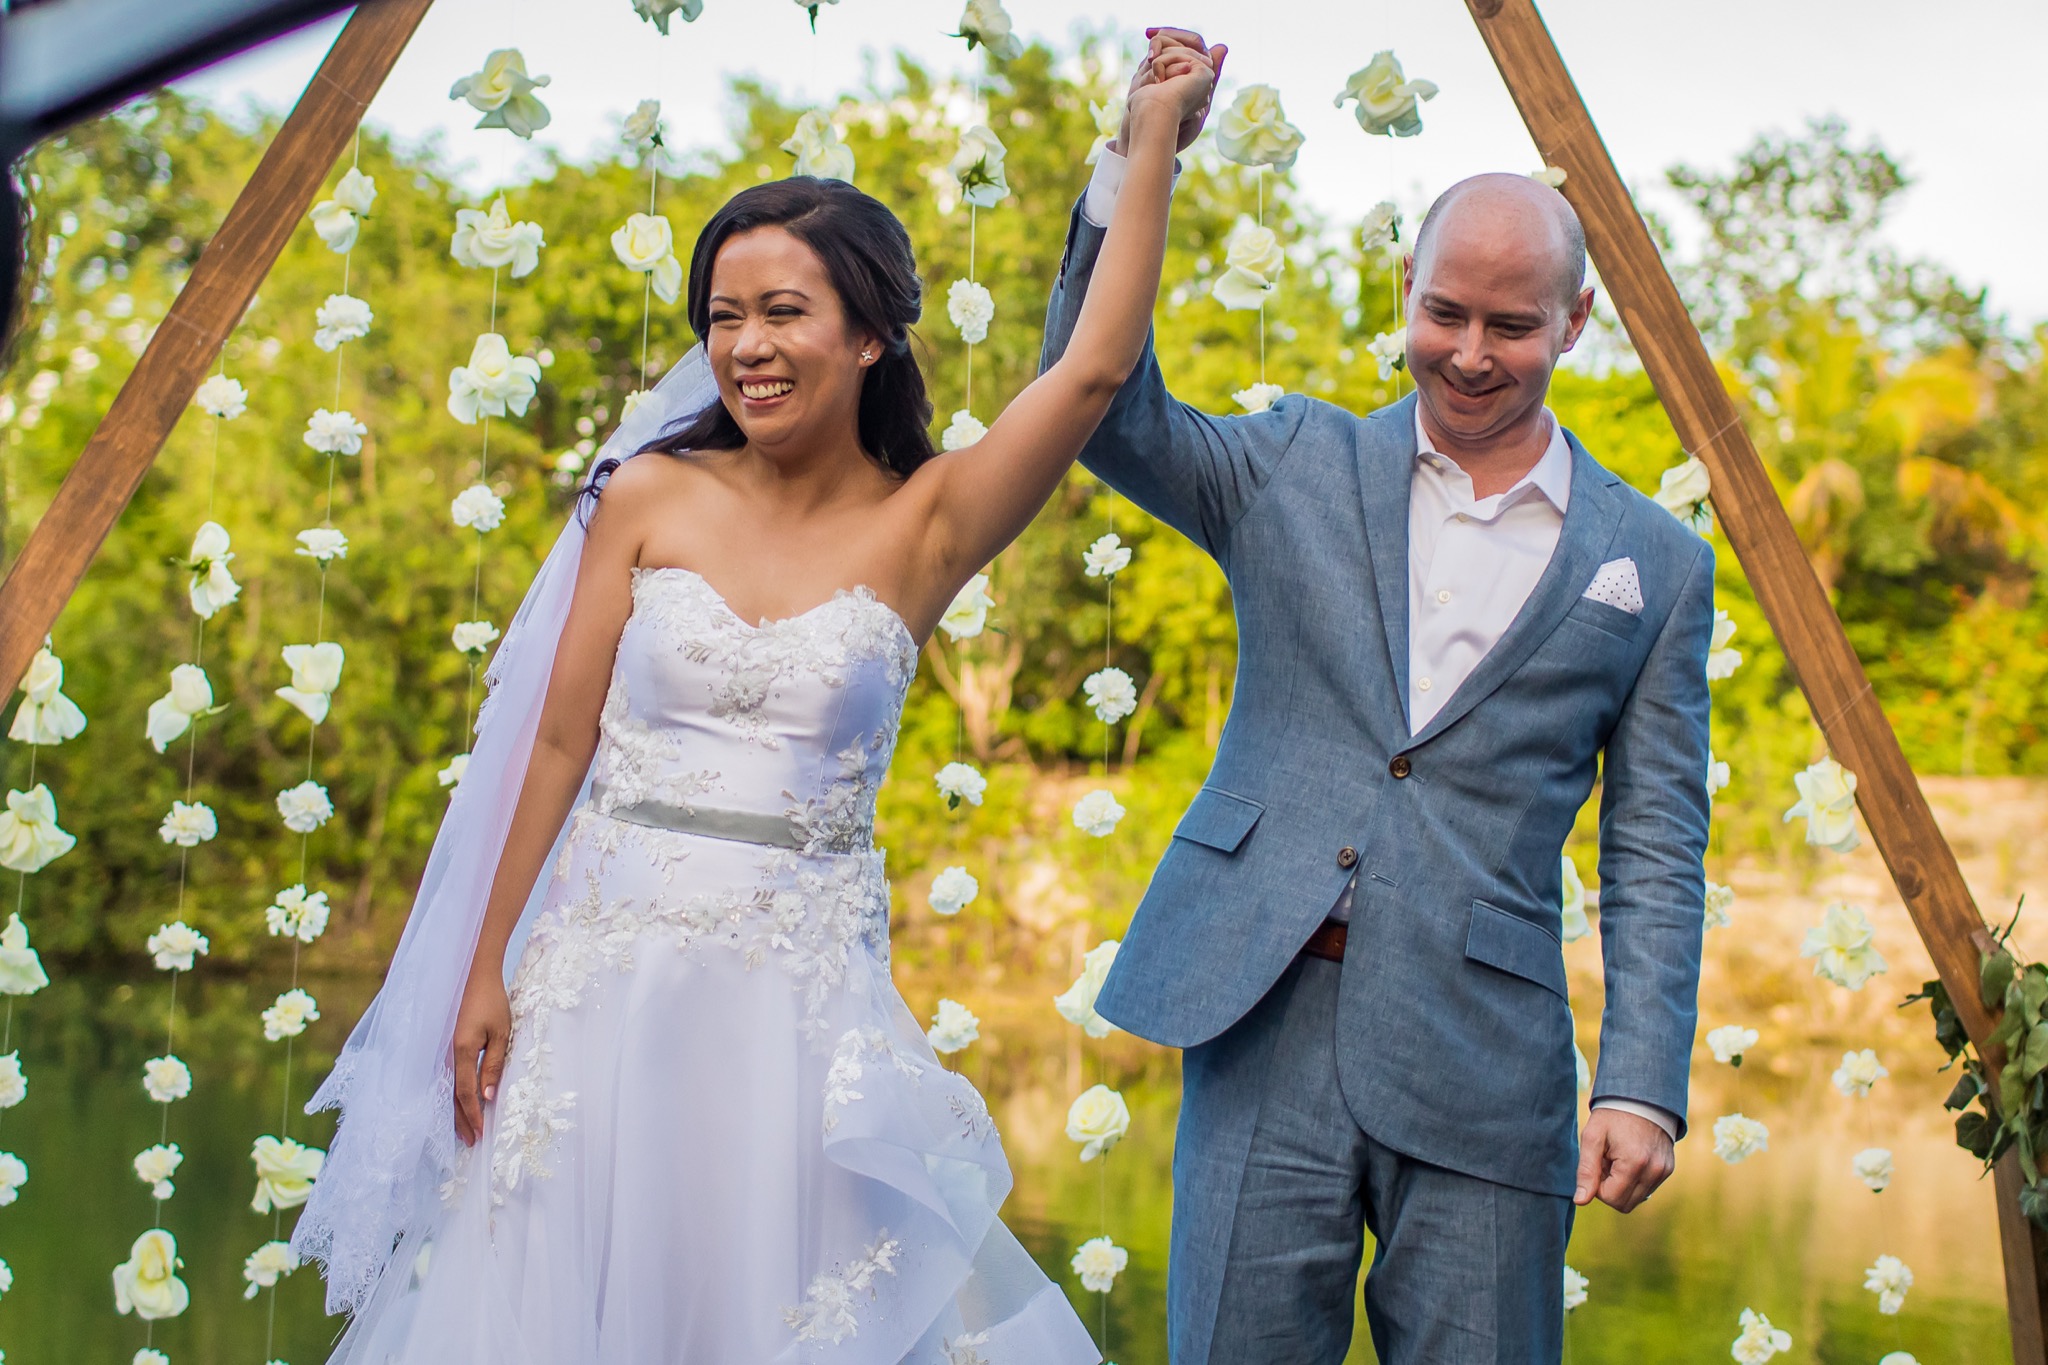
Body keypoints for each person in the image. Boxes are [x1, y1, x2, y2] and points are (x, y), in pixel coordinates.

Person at [290, 43, 1219, 1365]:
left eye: (782, 311)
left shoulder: (929, 521)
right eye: (722, 316)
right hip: (598, 994)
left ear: (869, 331)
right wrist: (486, 964)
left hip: (799, 1023)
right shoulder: (645, 496)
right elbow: (555, 742)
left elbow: (1090, 371)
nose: (746, 346)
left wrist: (1149, 149)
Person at [1041, 29, 1714, 1365]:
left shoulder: (1655, 564)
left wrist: (1643, 1082)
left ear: (1573, 324)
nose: (1467, 353)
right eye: (1444, 313)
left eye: (1511, 326)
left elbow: (1658, 850)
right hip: (1260, 1013)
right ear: (1407, 288)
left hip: (1490, 1056)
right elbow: (1100, 406)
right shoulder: (1290, 461)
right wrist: (1139, 159)